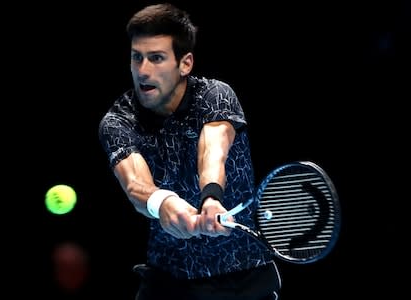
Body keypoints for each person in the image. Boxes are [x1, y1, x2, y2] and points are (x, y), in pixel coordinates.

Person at [98, 3, 281, 299]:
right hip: (168, 283)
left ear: (185, 63)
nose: (143, 71)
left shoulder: (215, 95)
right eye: (137, 58)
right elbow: (135, 184)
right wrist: (164, 203)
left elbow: (213, 150)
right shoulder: (119, 120)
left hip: (244, 281)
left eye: (156, 58)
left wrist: (211, 197)